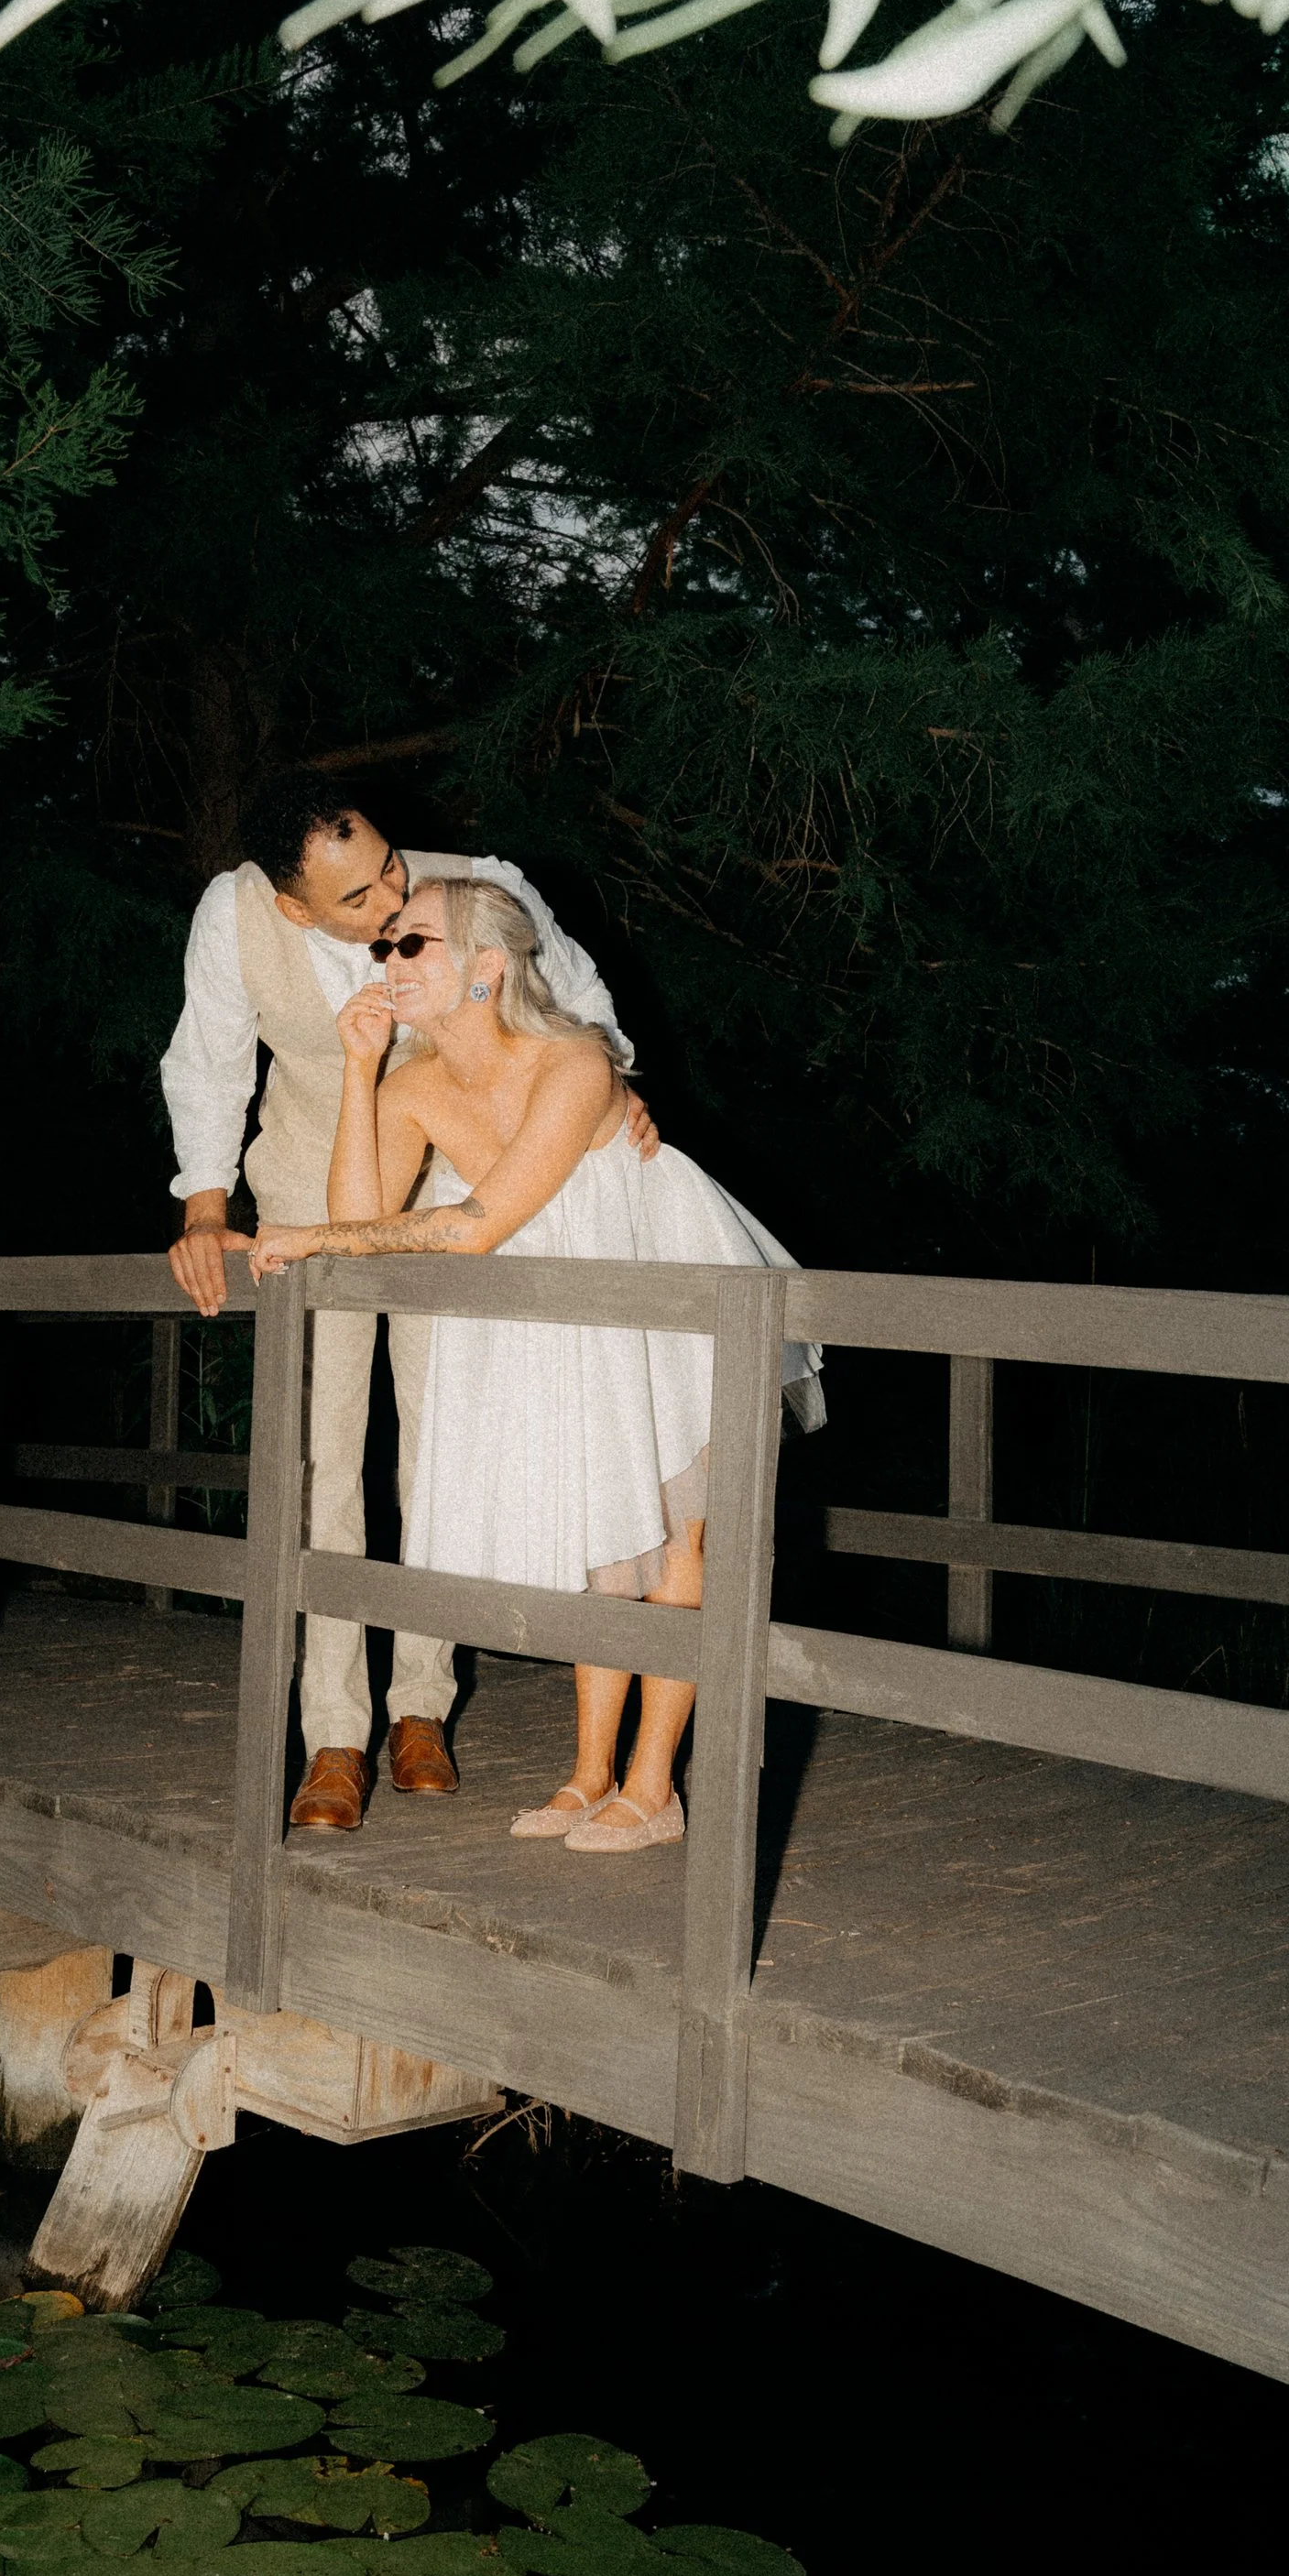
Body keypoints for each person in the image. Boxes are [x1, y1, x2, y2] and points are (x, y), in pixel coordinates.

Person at [248, 876, 823, 1856]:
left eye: (411, 943)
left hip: (661, 1272)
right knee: (607, 1538)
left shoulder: (575, 1058)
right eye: (384, 947)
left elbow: (471, 1227)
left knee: (685, 1531)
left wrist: (305, 1234)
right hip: (566, 1302)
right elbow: (366, 1219)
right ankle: (589, 1776)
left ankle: (655, 1786)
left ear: (484, 966)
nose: (387, 962)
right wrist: (358, 1067)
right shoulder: (417, 1078)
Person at [160, 773, 652, 1835]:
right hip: (310, 1197)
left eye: (389, 865)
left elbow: (585, 1007)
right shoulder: (236, 913)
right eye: (357, 899)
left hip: (456, 1196)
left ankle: (420, 1702)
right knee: (321, 1458)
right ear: (293, 904)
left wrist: (617, 1091)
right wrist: (206, 1204)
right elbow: (207, 1058)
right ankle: (332, 1730)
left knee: (441, 1450)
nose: (390, 900)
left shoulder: (474, 892)